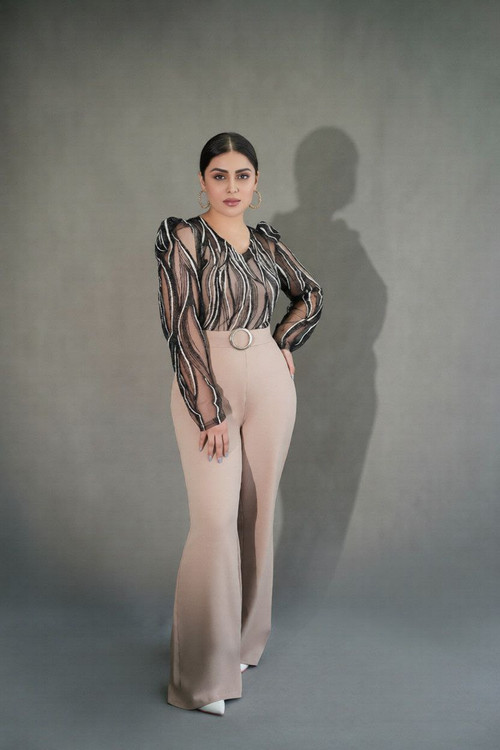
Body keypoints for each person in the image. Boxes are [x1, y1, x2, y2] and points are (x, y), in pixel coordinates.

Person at [154, 132, 324, 715]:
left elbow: (310, 296)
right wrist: (208, 409)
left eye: (242, 175)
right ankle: (202, 678)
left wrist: (283, 340)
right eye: (219, 175)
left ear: (256, 184)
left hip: (271, 383)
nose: (231, 186)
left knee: (257, 514)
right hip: (209, 379)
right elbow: (180, 324)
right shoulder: (183, 236)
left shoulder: (267, 241)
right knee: (214, 522)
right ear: (202, 182)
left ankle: (245, 642)